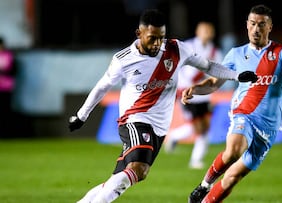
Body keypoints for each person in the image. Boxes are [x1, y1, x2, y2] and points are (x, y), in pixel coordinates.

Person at [68, 9, 257, 203]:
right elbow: (102, 87)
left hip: (159, 128)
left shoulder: (176, 49)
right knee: (139, 169)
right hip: (135, 120)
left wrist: (236, 76)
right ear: (138, 34)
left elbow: (208, 66)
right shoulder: (123, 60)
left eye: (161, 38)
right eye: (152, 38)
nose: (157, 44)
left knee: (120, 178)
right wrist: (82, 115)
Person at [186, 4, 282, 203]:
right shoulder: (237, 54)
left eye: (262, 24)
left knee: (232, 178)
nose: (256, 29)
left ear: (270, 27)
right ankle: (204, 185)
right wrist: (195, 89)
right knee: (234, 150)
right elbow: (214, 83)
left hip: (269, 127)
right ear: (247, 25)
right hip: (243, 113)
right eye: (253, 24)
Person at [164, 21, 223, 169]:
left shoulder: (215, 51)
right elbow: (185, 72)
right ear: (197, 32)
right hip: (187, 92)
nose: (207, 33)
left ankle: (180, 142)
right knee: (197, 127)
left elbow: (219, 72)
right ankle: (194, 159)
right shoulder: (187, 46)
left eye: (209, 31)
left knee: (204, 127)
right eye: (204, 30)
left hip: (204, 94)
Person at [0, 37, 16, 136]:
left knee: (5, 111)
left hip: (6, 88)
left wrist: (4, 72)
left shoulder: (9, 56)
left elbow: (14, 71)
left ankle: (6, 133)